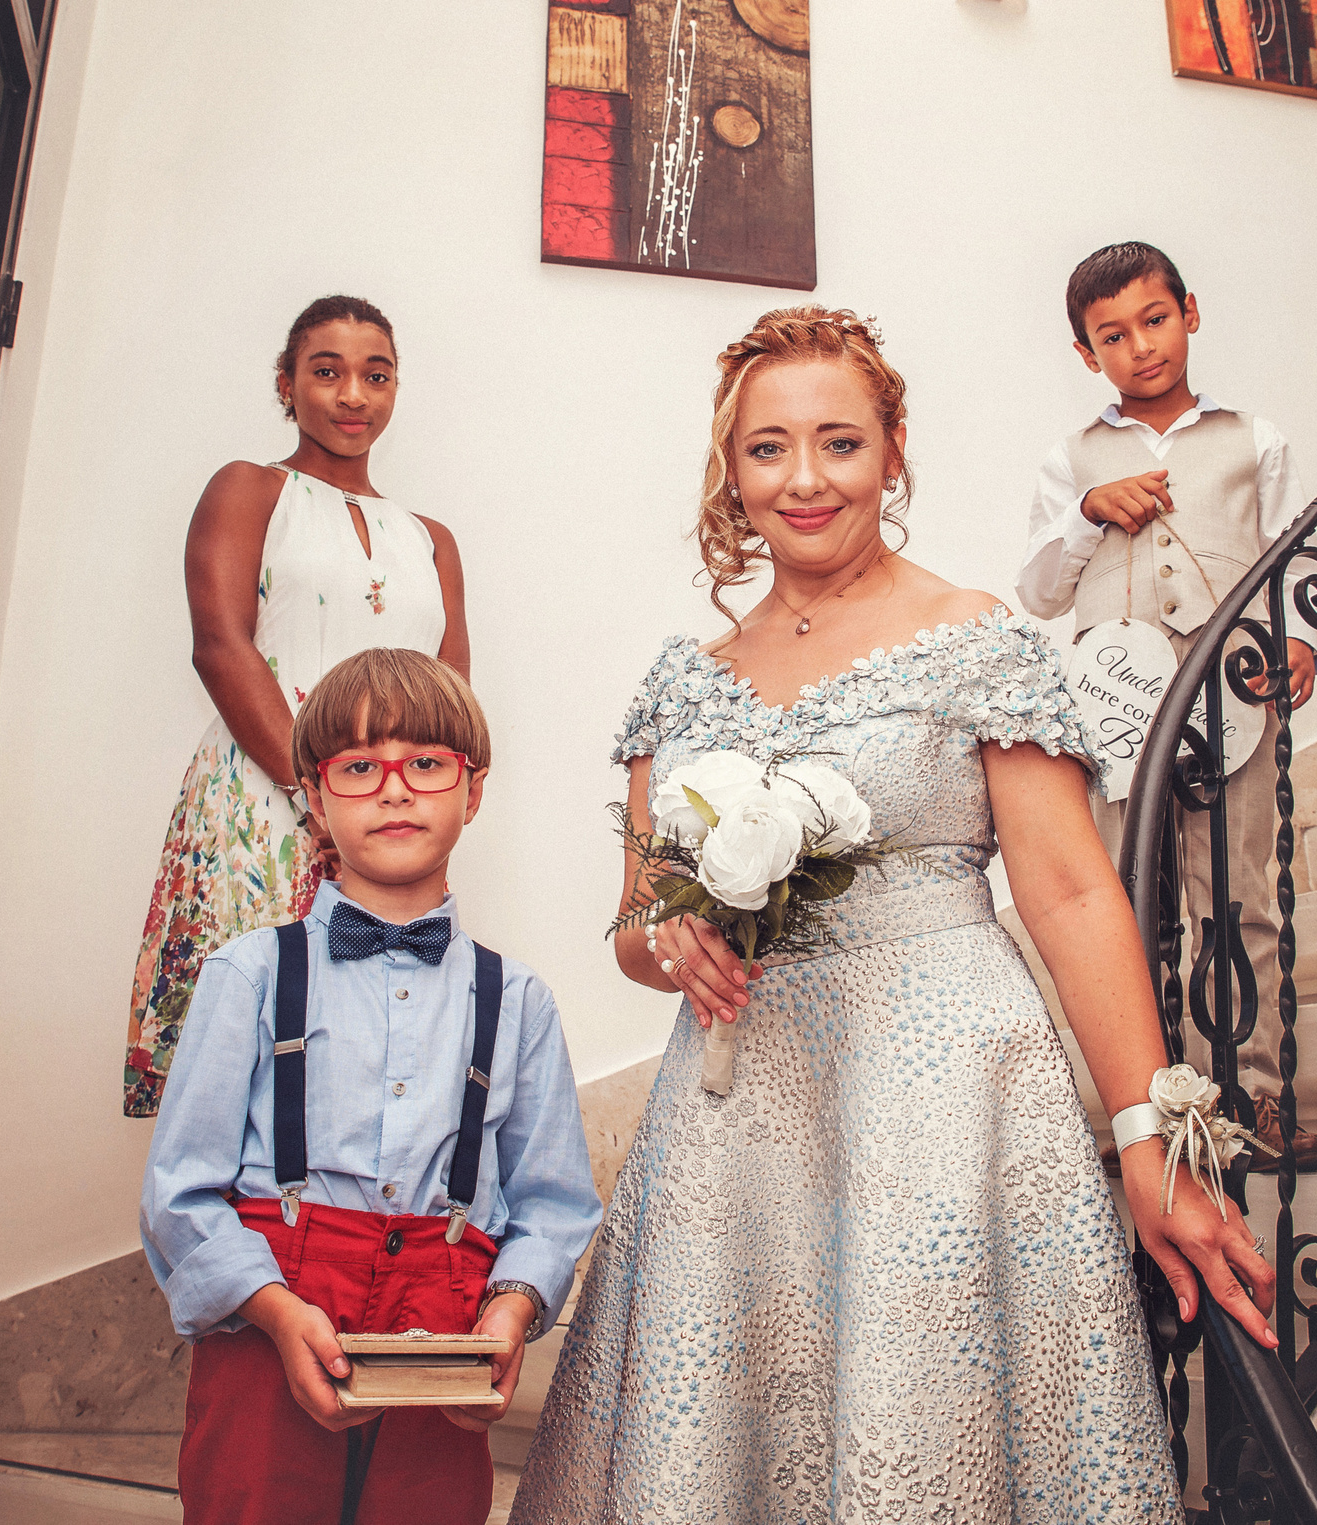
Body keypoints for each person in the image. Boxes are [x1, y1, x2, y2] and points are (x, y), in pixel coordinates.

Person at [511, 307, 1270, 1525]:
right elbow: (634, 921)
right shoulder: (680, 679)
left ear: (893, 447)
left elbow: (1070, 888)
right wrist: (669, 939)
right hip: (737, 1121)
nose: (803, 479)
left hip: (948, 1103)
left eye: (838, 442)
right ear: (730, 468)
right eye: (767, 449)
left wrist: (1145, 1128)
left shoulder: (971, 634)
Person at [142, 648, 601, 1525]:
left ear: (473, 791)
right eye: (359, 767)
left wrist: (509, 1313)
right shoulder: (248, 975)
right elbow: (180, 1191)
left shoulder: (521, 1000)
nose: (395, 789)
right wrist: (276, 1313)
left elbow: (553, 1204)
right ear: (315, 798)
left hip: (445, 1337)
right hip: (268, 1319)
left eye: (426, 763)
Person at [1015, 241, 1317, 1174]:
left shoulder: (1254, 439)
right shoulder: (1071, 459)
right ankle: (1146, 1109)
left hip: (1233, 700)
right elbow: (1037, 591)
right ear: (1088, 354)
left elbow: (1290, 560)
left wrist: (1301, 642)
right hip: (1117, 716)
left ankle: (1255, 1096)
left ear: (1189, 313)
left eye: (1155, 320)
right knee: (1126, 906)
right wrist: (1085, 513)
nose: (1140, 346)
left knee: (1239, 899)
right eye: (1112, 335)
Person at [124, 295, 472, 1117]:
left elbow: (452, 697)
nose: (354, 393)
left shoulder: (431, 538)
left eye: (375, 374)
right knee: (249, 1043)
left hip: (391, 815)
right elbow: (220, 645)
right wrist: (315, 795)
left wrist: (419, 804)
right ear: (287, 384)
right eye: (327, 371)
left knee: (373, 1055)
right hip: (264, 800)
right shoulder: (251, 489)